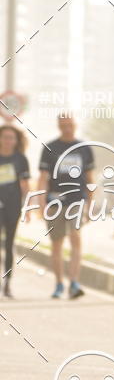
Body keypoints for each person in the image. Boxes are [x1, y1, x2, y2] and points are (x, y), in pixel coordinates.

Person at [37, 113, 95, 299]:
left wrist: (90, 205)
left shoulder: (84, 148)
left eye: (69, 124)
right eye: (63, 125)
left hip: (77, 200)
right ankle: (59, 284)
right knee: (57, 244)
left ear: (75, 125)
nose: (66, 127)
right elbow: (43, 179)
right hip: (55, 202)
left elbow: (90, 179)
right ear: (58, 126)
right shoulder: (50, 148)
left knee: (75, 237)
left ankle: (74, 283)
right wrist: (40, 204)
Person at [0, 125, 30, 298]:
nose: (8, 141)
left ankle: (7, 282)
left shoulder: (20, 159)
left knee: (9, 244)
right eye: (5, 137)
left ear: (16, 140)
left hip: (12, 207)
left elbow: (24, 185)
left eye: (12, 138)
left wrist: (28, 207)